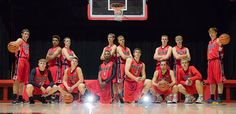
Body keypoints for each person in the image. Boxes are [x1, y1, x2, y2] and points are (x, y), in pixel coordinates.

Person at [11, 28, 30, 103]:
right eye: (25, 34)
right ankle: (15, 97)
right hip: (20, 60)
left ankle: (20, 98)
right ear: (22, 34)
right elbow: (14, 43)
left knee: (23, 81)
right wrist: (15, 46)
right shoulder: (20, 40)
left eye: (28, 34)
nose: (26, 35)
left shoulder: (27, 44)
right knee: (17, 80)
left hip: (26, 61)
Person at [207, 27, 224, 103]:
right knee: (211, 81)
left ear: (216, 33)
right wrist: (208, 60)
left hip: (216, 61)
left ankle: (220, 98)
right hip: (210, 62)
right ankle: (212, 97)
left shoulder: (218, 40)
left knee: (219, 80)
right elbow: (208, 52)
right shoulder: (209, 42)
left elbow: (221, 48)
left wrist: (220, 48)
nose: (211, 34)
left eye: (212, 32)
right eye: (210, 33)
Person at [115, 35, 132, 102]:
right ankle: (119, 96)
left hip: (128, 65)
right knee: (120, 81)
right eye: (120, 40)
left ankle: (126, 96)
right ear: (118, 41)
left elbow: (131, 58)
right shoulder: (118, 48)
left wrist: (127, 56)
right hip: (121, 65)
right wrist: (128, 56)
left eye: (123, 39)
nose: (122, 40)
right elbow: (124, 57)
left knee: (127, 80)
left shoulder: (128, 49)